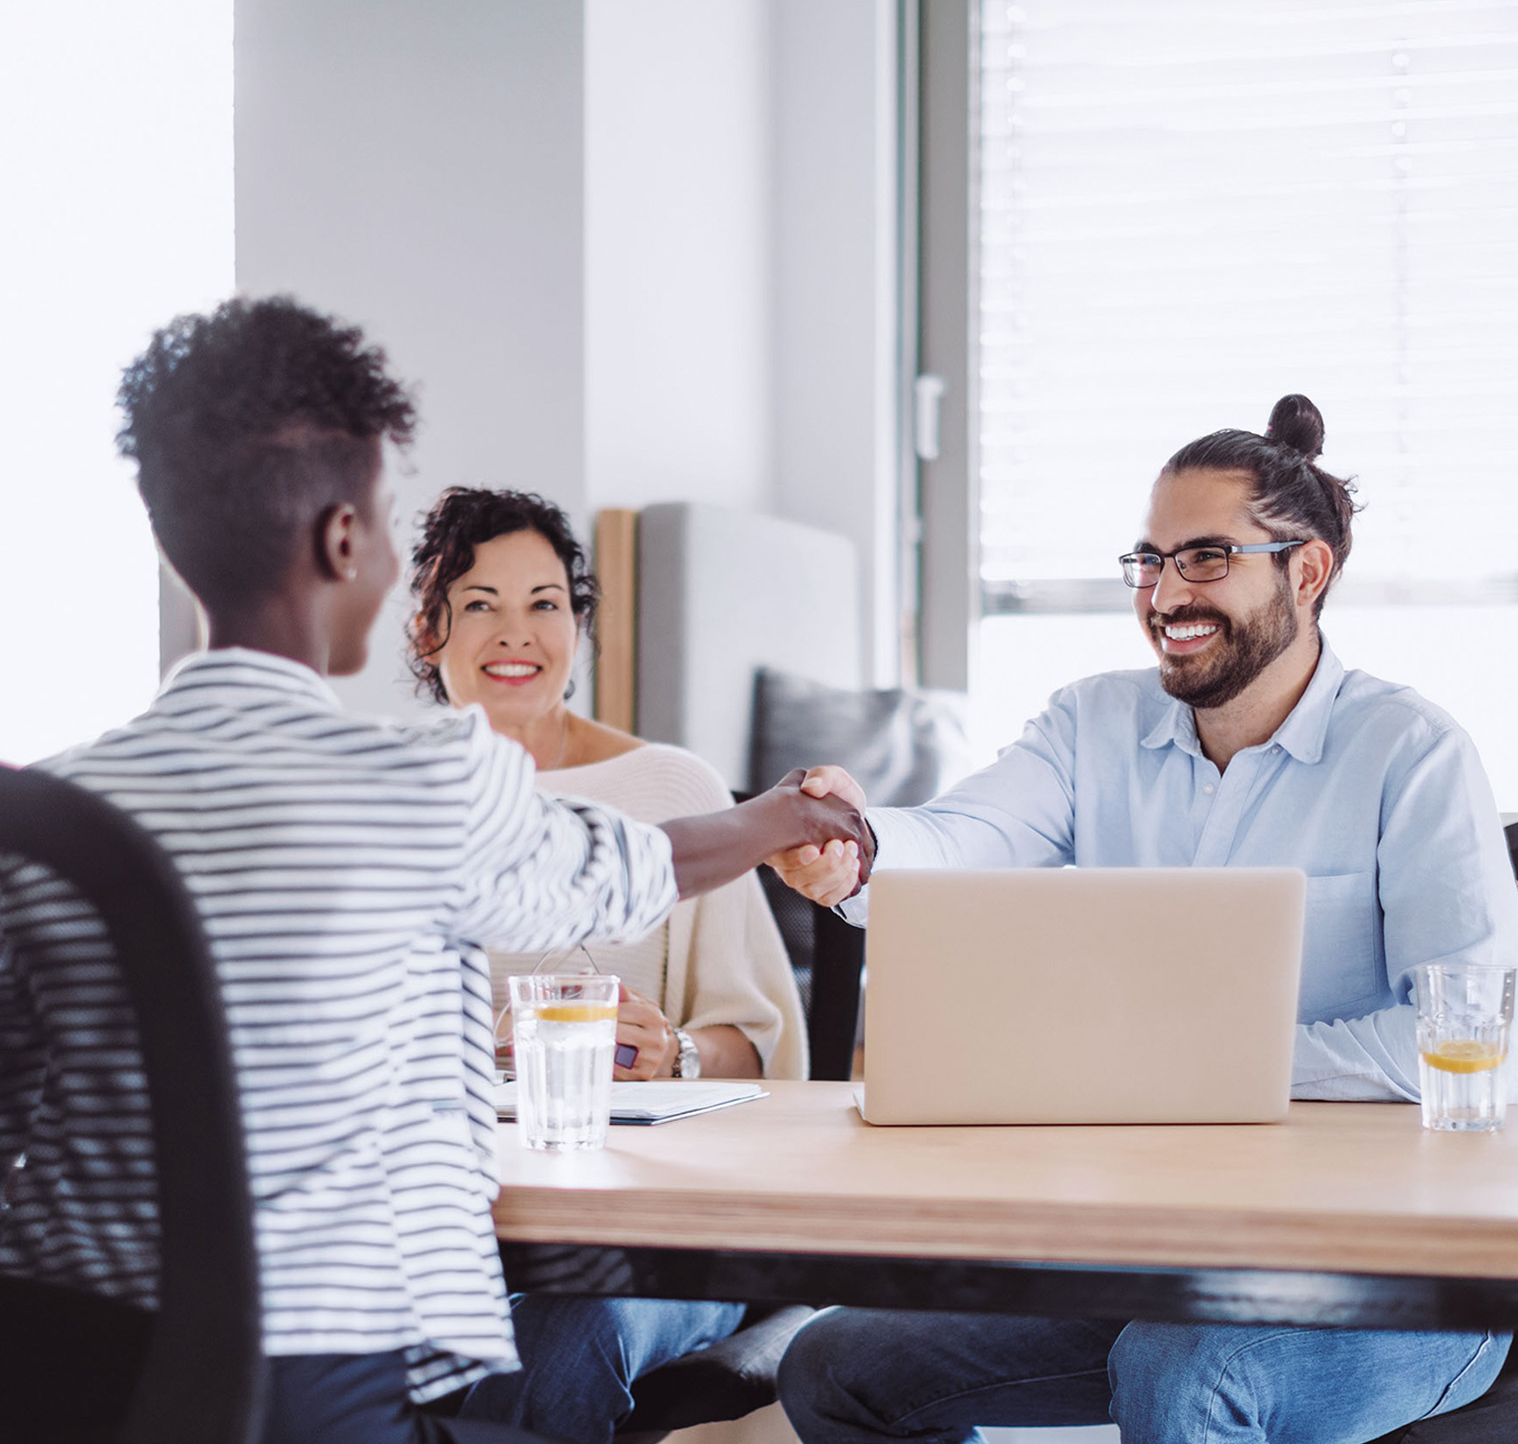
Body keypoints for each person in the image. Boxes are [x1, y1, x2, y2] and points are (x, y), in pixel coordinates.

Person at [0, 295, 869, 1444]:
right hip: (322, 1388)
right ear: (345, 541)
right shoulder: (424, 784)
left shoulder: (42, 808)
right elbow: (631, 866)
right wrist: (777, 817)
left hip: (58, 1371)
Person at [769, 395, 1518, 1444]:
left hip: (1403, 1282)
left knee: (1184, 1367)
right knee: (836, 1365)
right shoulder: (1095, 722)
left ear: (1304, 572)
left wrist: (1211, 1067)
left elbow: (1488, 1047)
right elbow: (964, 839)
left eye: (1207, 558)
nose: (1165, 592)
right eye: (1149, 559)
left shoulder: (1410, 752)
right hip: (1155, 1257)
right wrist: (860, 845)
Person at [404, 484, 806, 1442]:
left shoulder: (670, 788)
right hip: (450, 1235)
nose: (518, 633)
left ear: (578, 628)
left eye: (546, 603)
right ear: (428, 629)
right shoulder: (386, 798)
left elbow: (761, 1046)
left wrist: (676, 1054)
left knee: (558, 1338)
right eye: (480, 604)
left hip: (651, 1241)